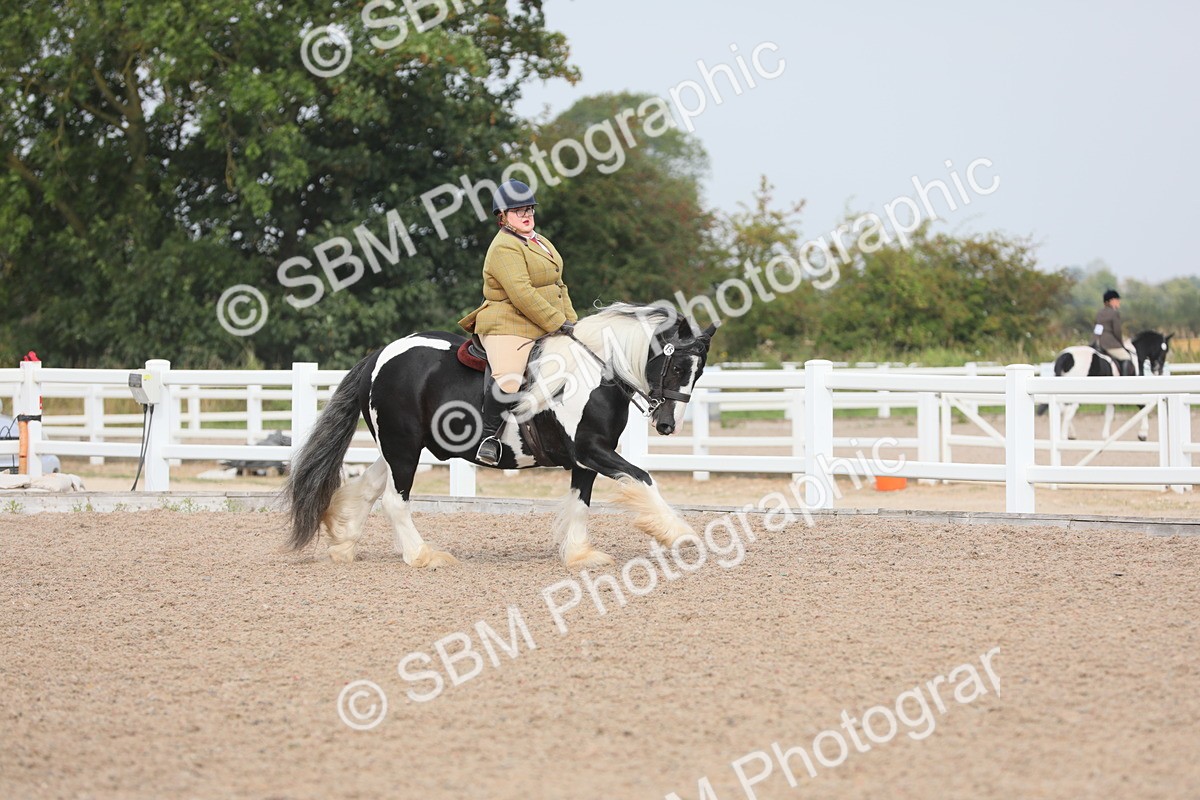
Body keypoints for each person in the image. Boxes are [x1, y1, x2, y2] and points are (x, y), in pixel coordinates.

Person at [458, 179, 578, 465]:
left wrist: (574, 323)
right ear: (503, 217)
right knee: (510, 377)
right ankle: (488, 439)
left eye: (529, 210)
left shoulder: (540, 241)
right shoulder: (504, 248)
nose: (526, 215)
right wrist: (557, 322)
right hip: (507, 323)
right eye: (518, 211)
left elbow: (560, 286)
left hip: (542, 321)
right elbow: (522, 294)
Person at [1093, 289, 1136, 376]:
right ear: (1111, 300)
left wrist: (1095, 341)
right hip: (1110, 344)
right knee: (1126, 357)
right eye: (1117, 300)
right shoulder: (1114, 313)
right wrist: (1121, 344)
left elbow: (1097, 329)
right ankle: (1123, 381)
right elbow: (1117, 332)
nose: (1119, 302)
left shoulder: (1099, 313)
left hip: (1097, 342)